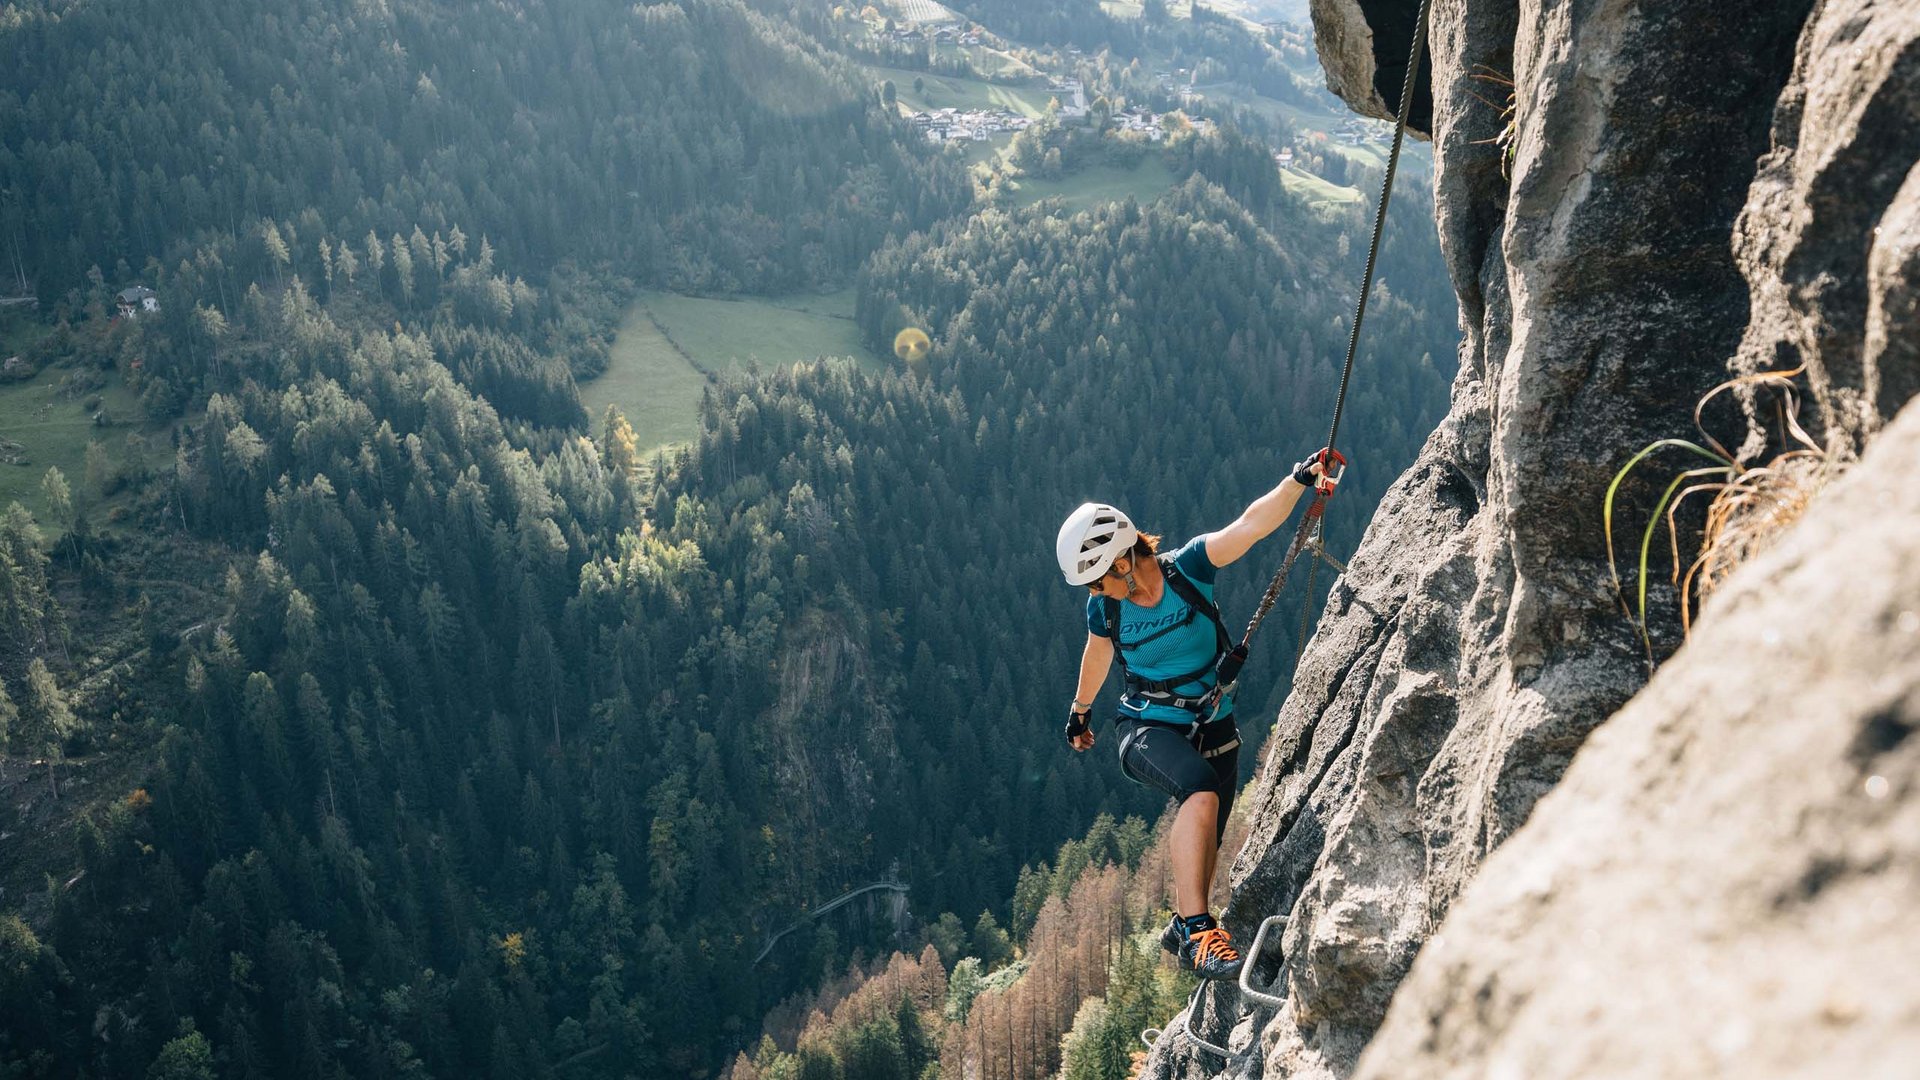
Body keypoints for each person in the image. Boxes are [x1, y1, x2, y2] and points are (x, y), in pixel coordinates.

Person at [1055, 448, 1343, 979]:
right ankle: (1195, 932)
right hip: (1144, 726)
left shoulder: (1187, 569)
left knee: (1207, 833)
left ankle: (1182, 925)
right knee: (1199, 789)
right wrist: (1080, 712)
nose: (1095, 593)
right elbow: (1098, 654)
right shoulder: (1106, 607)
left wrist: (1297, 481)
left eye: (1098, 580)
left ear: (1121, 561)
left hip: (1215, 723)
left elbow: (1249, 526)